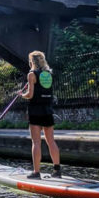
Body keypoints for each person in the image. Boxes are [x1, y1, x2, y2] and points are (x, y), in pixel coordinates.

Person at [20, 50, 62, 179]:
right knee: (51, 141)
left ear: (32, 62)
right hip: (48, 110)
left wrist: (21, 94)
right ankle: (57, 171)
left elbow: (30, 95)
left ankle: (36, 172)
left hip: (35, 111)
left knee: (36, 142)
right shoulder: (48, 74)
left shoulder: (31, 74)